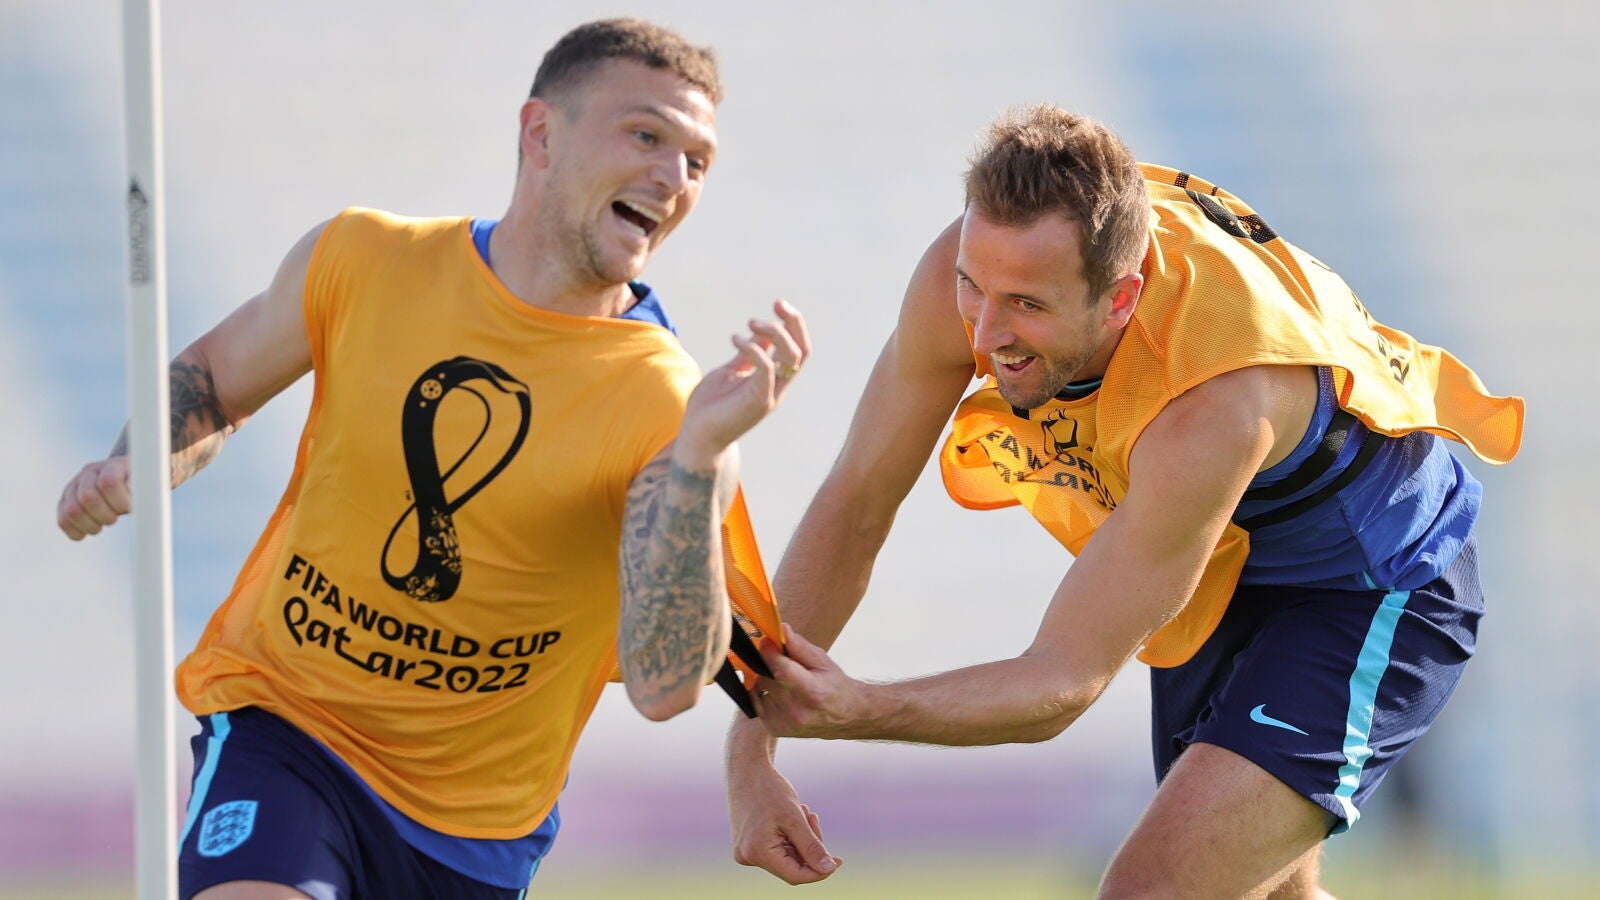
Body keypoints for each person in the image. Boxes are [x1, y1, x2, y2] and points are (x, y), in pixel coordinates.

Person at [57, 18, 809, 900]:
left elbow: (665, 684)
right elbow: (216, 380)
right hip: (289, 727)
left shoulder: (670, 407)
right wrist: (141, 460)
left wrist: (699, 461)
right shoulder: (366, 257)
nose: (674, 178)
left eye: (698, 162)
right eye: (646, 136)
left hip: (473, 835)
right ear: (541, 134)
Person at [725, 105, 1522, 898]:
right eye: (975, 287)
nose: (986, 334)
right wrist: (750, 750)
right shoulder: (971, 272)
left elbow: (1061, 680)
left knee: (1151, 893)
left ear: (1118, 298)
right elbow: (858, 500)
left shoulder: (1217, 397)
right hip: (1215, 568)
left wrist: (859, 708)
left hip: (1370, 581)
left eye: (1028, 305)